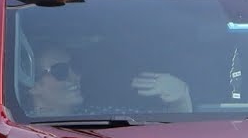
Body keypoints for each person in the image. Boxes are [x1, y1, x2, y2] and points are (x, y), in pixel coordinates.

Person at [21, 43, 192, 117]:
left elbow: (163, 132)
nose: (76, 76)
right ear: (32, 84)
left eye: (76, 67)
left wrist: (181, 97)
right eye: (61, 71)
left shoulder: (102, 118)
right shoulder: (15, 129)